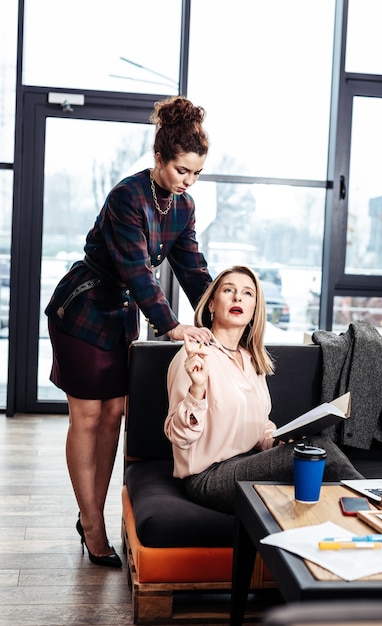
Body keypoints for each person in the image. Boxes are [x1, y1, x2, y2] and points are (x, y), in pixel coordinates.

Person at [45, 96, 213, 567]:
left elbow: (192, 267)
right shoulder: (127, 196)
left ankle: (92, 512)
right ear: (159, 158)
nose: (188, 181)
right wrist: (172, 325)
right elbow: (139, 272)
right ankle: (92, 523)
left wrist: (218, 310)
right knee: (88, 416)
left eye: (196, 173)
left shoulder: (184, 207)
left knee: (115, 413)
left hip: (122, 316)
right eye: (182, 170)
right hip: (84, 310)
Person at [164, 265, 363, 515]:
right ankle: (377, 505)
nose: (238, 297)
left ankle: (355, 521)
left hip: (245, 462)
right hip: (207, 477)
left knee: (311, 451)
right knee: (320, 449)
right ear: (212, 304)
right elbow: (179, 437)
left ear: (254, 310)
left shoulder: (251, 360)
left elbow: (259, 426)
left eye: (248, 293)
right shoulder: (193, 356)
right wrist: (197, 389)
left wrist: (278, 440)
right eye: (228, 290)